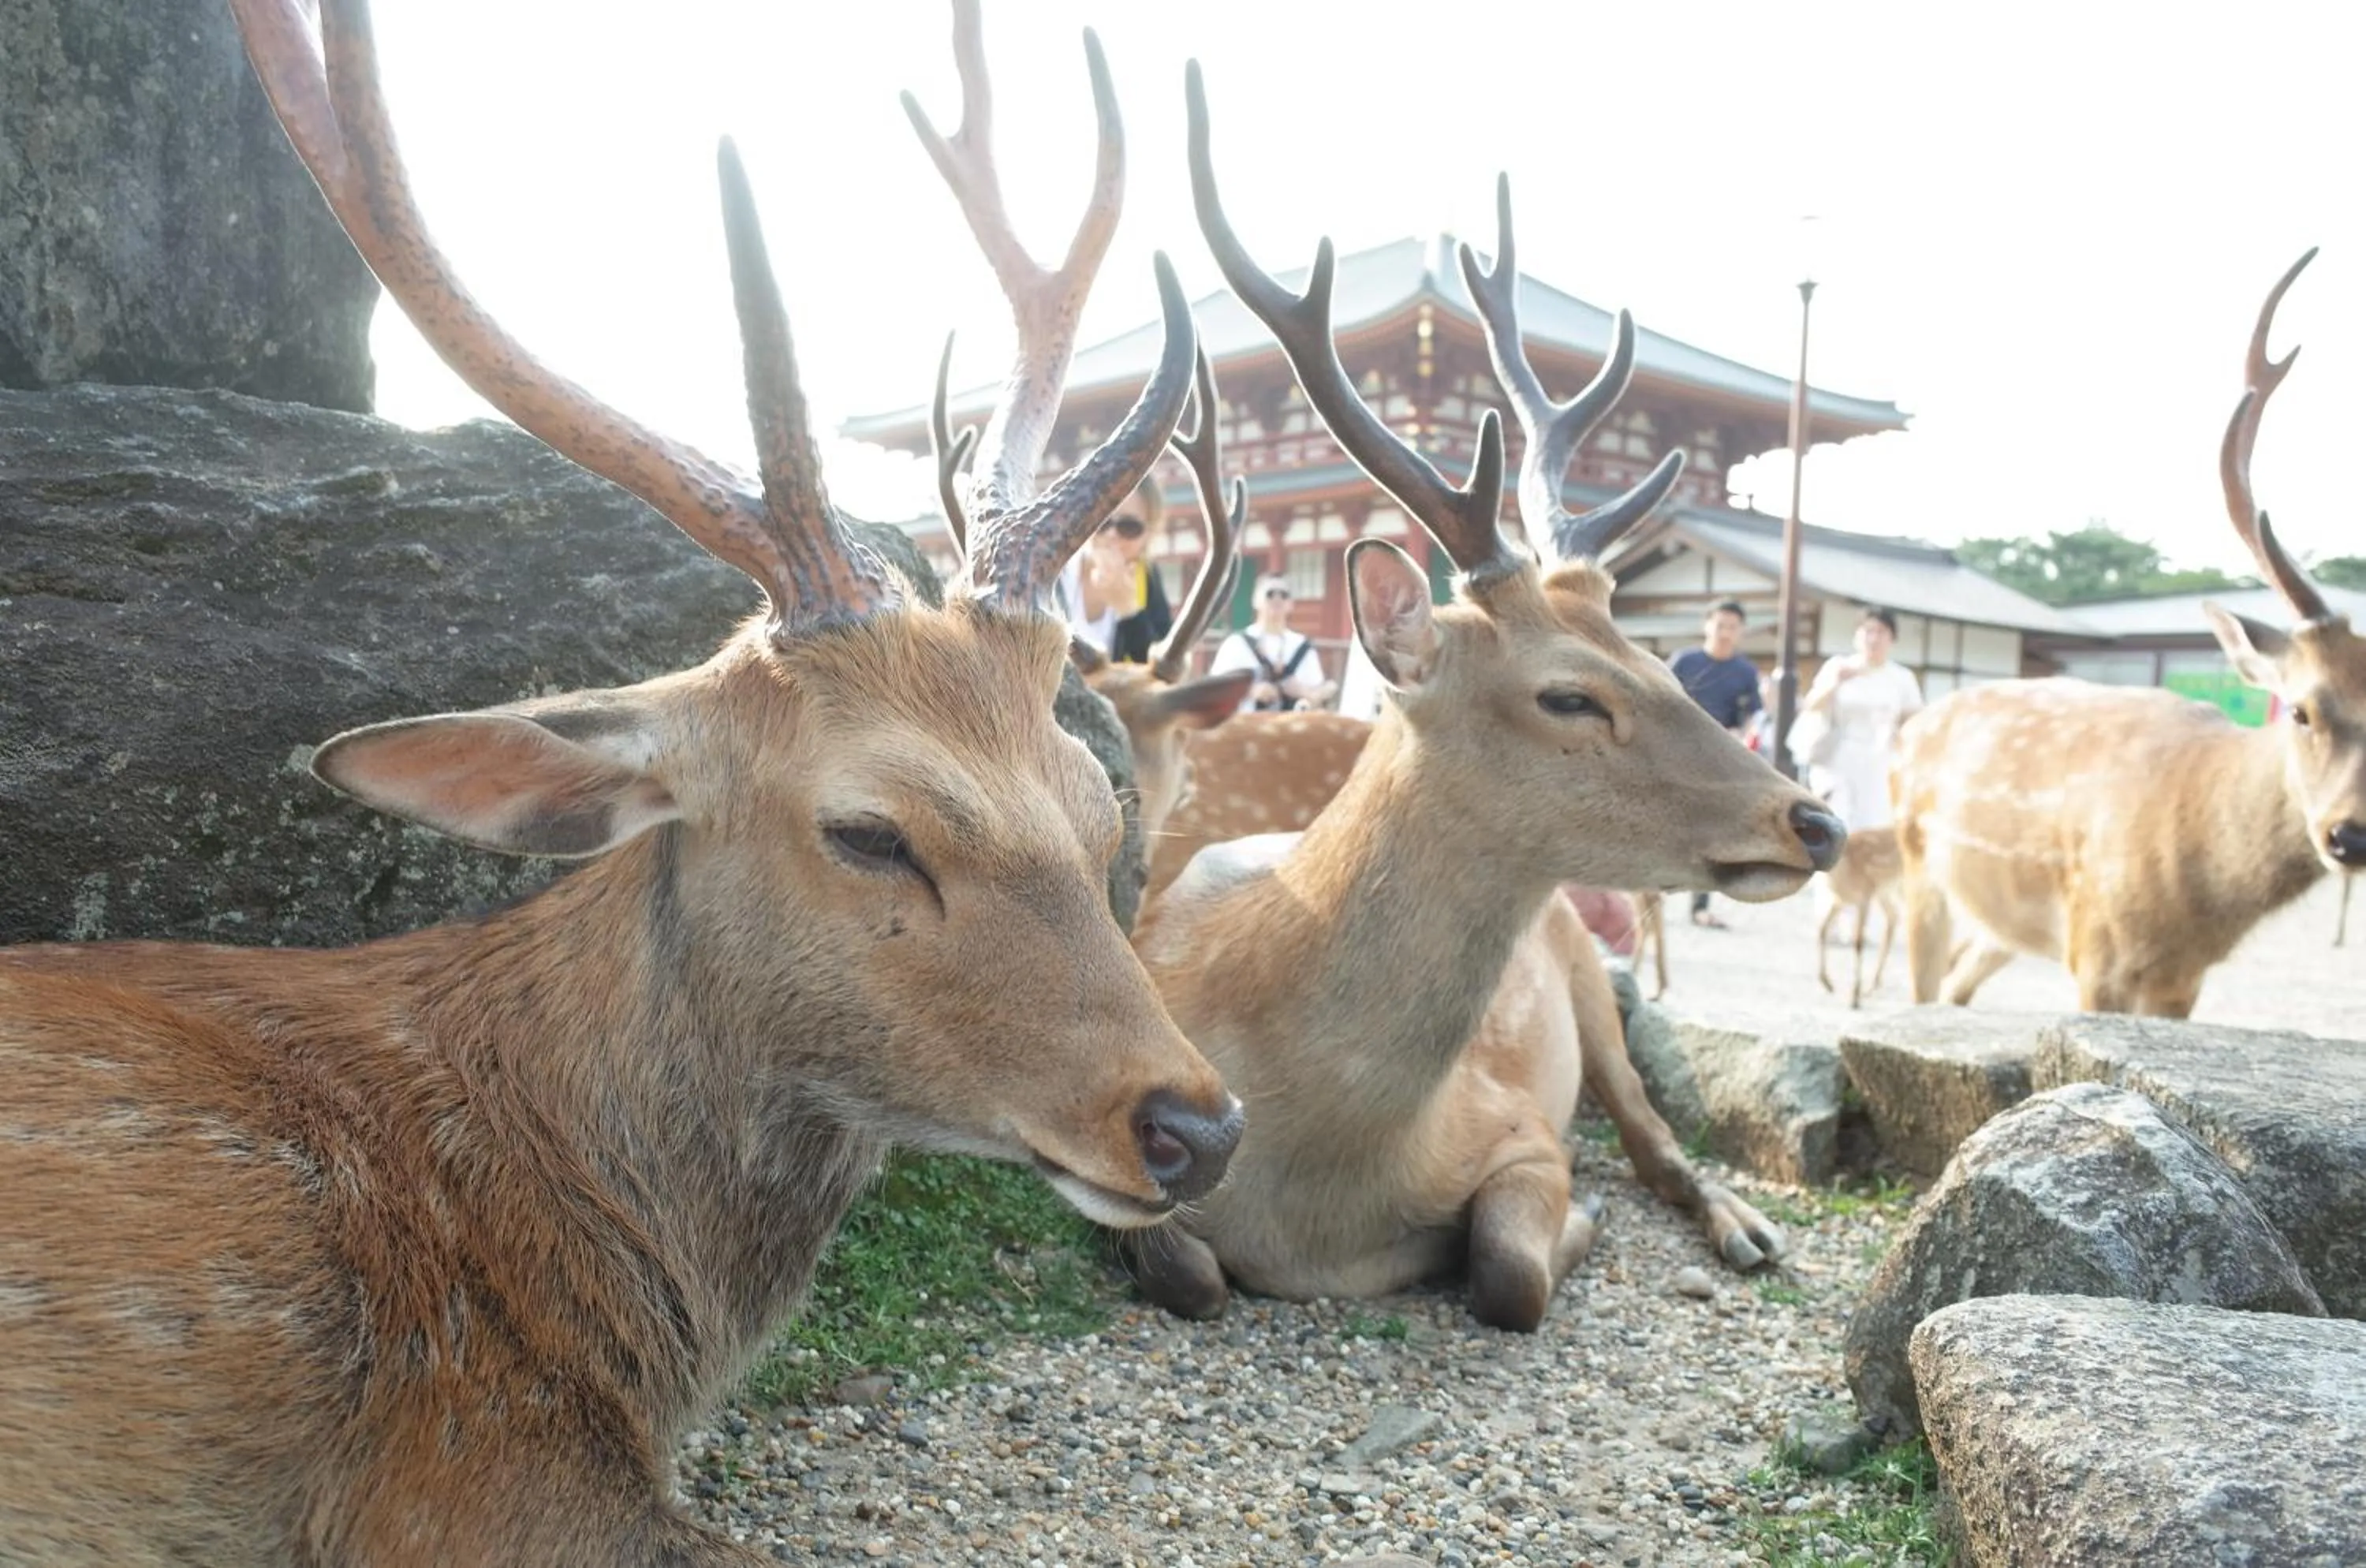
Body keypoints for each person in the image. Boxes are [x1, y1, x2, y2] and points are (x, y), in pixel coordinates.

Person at [1667, 600, 1764, 928]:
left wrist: (1743, 733)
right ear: (1707, 625)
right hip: (1675, 750)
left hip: (1720, 758)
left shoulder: (1746, 672)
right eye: (1720, 624)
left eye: (1732, 627)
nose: (1725, 632)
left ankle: (1700, 904)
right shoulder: (1684, 661)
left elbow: (1753, 718)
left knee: (1711, 829)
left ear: (1741, 632)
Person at [1798, 606, 1924, 831]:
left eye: (1881, 632)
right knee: (1838, 817)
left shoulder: (1902, 677)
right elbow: (1812, 705)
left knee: (1874, 822)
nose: (1874, 638)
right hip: (1838, 753)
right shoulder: (1838, 666)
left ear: (1892, 639)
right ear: (1857, 635)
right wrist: (1835, 682)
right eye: (1868, 631)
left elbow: (1913, 720)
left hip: (1880, 757)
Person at [1058, 476, 1170, 661]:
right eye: (1102, 521)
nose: (1112, 535)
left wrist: (1129, 611)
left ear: (1149, 535)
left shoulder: (1148, 580)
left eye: (1129, 527)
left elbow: (1159, 674)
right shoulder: (1056, 572)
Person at [1209, 575, 1336, 712]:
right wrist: (1250, 691)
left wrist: (1302, 691)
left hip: (1294, 728)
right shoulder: (1235, 645)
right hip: (1246, 728)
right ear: (1255, 600)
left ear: (1291, 604)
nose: (1277, 599)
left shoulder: (1303, 647)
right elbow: (1214, 690)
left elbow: (1319, 692)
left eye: (1284, 595)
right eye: (1270, 594)